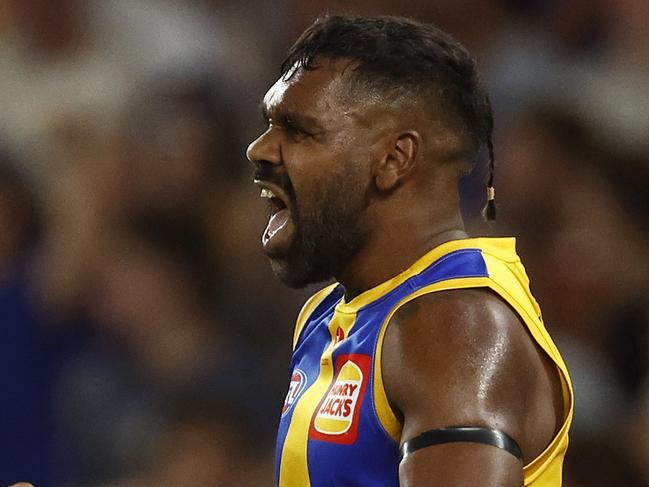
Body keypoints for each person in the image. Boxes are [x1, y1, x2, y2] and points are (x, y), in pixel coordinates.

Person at [246, 15, 573, 487]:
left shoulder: (455, 326)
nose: (259, 150)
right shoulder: (329, 314)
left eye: (296, 131)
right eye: (269, 125)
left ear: (394, 160)